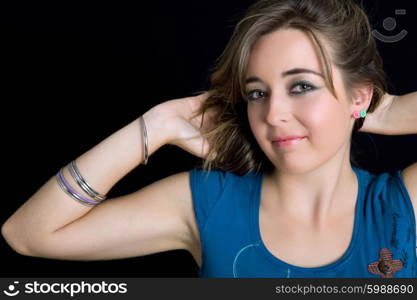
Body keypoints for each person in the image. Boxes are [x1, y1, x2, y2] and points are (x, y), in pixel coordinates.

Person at [2, 0, 417, 278]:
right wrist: (158, 123)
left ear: (358, 96)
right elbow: (27, 234)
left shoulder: (404, 204)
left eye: (302, 86)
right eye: (257, 93)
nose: (272, 114)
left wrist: (389, 111)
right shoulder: (206, 203)